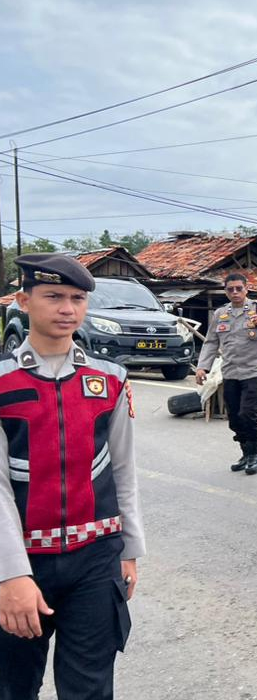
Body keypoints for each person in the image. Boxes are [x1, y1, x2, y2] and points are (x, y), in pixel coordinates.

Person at [0, 253, 146, 699]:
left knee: (90, 688)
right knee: (14, 686)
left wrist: (130, 549)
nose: (67, 309)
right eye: (54, 297)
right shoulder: (3, 383)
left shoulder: (110, 379)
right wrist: (10, 575)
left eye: (77, 299)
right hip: (24, 561)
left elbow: (123, 467)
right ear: (24, 301)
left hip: (96, 559)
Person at [195, 272, 257, 475]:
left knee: (247, 413)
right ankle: (245, 453)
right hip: (230, 371)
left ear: (246, 289)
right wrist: (202, 367)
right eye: (230, 289)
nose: (235, 292)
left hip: (253, 371)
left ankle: (255, 454)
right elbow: (211, 342)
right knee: (234, 418)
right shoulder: (220, 313)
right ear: (226, 291)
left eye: (239, 288)